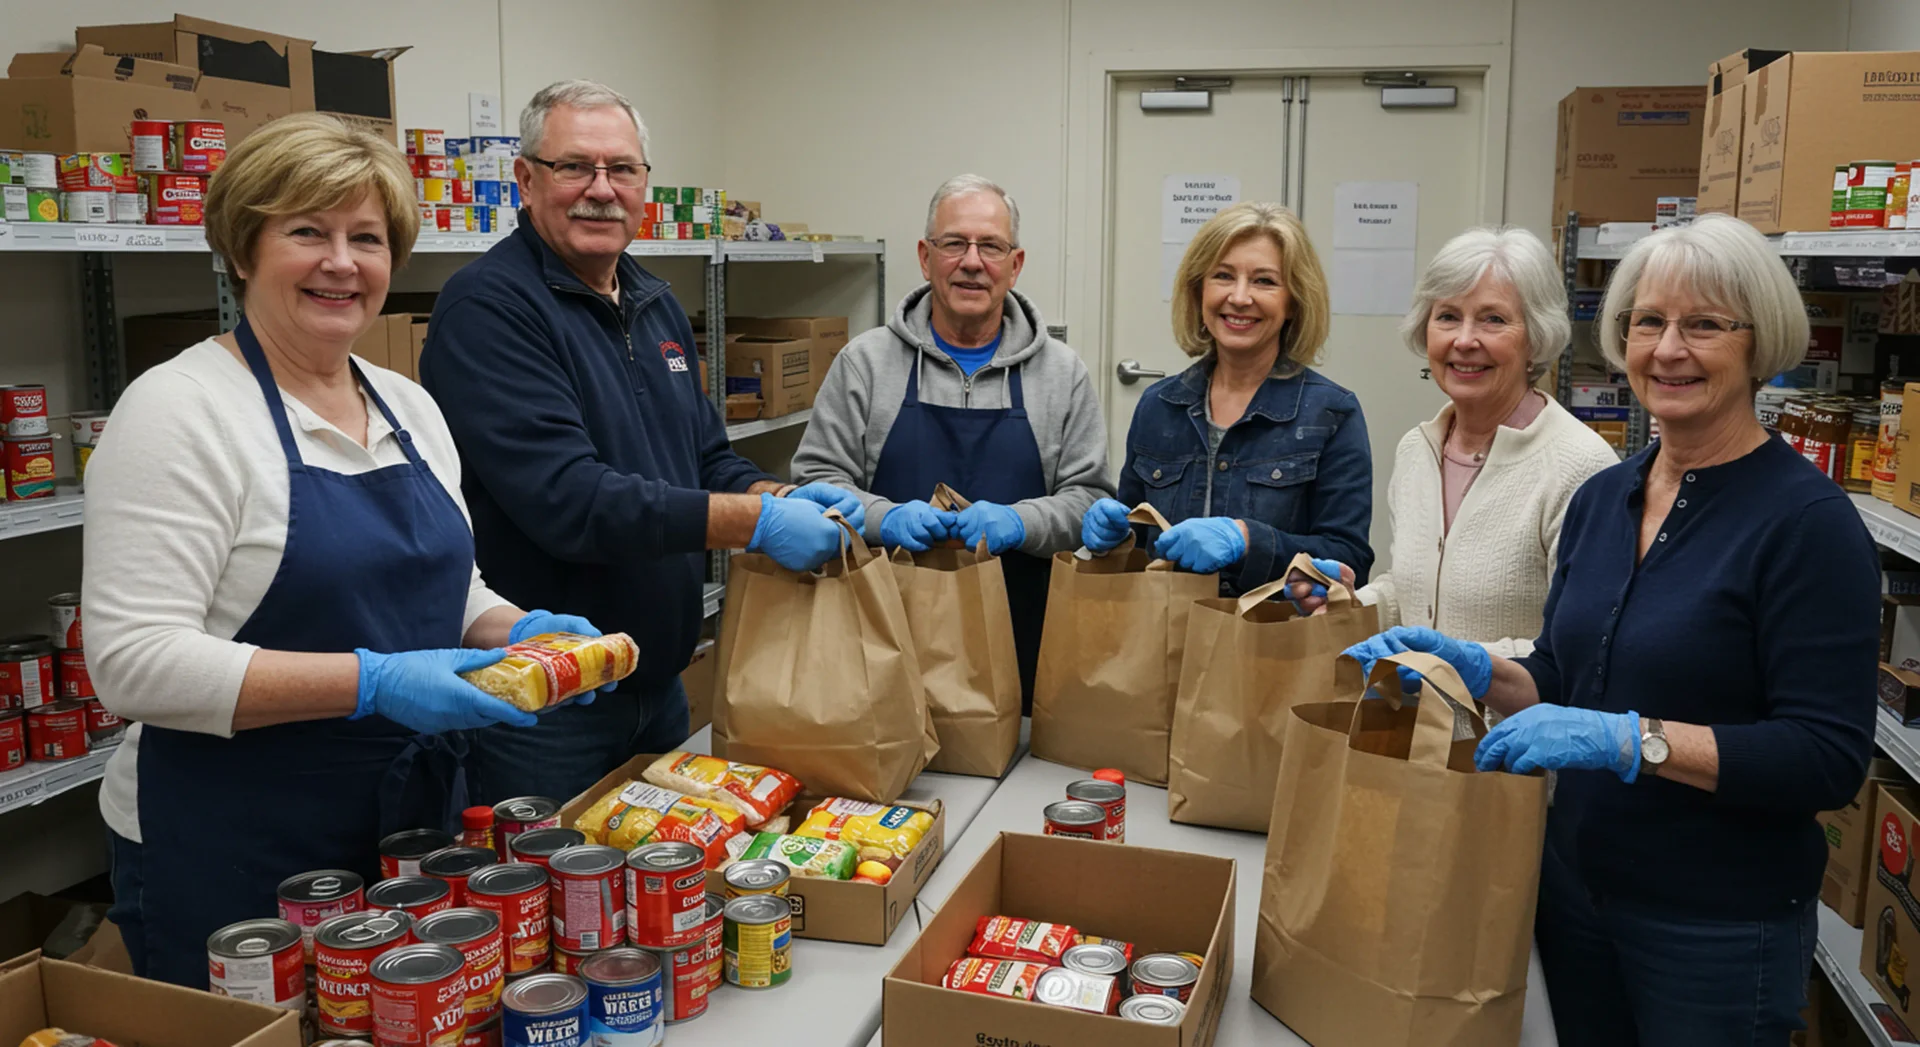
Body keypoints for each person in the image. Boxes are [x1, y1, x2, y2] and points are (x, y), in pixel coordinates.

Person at [83, 114, 606, 986]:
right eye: (306, 232)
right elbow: (134, 664)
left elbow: (451, 582)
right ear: (242, 249)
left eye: (367, 238)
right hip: (234, 839)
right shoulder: (180, 409)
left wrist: (516, 629)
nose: (342, 262)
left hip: (405, 822)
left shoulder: (408, 403)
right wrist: (375, 681)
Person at [1344, 213, 1879, 1046]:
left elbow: (1825, 756)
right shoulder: (1608, 496)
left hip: (1712, 925)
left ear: (1758, 341)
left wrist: (1636, 740)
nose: (1669, 348)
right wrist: (1480, 669)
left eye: (1704, 323)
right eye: (1648, 321)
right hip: (1573, 891)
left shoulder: (1807, 523)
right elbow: (1561, 673)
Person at [422, 81, 862, 804]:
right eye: (576, 168)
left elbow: (707, 458)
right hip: (548, 705)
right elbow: (572, 503)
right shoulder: (489, 309)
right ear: (526, 181)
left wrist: (779, 494)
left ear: (645, 187)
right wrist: (755, 523)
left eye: (621, 169)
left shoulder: (653, 301)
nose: (602, 190)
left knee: (659, 904)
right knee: (554, 905)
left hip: (657, 686)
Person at [791, 174, 1113, 705]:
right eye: (953, 244)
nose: (971, 261)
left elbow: (1092, 499)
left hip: (1023, 646)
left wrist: (1020, 522)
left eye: (991, 246)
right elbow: (814, 483)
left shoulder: (1062, 373)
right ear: (925, 256)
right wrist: (884, 517)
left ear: (1016, 263)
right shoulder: (866, 363)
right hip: (882, 648)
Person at [1291, 228, 1615, 665]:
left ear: (1535, 337)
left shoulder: (1581, 466)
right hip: (1416, 729)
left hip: (1515, 731)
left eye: (1493, 320)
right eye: (1447, 317)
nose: (1464, 340)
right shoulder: (1416, 450)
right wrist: (1350, 603)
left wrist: (1451, 661)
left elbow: (1580, 649)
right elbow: (1413, 598)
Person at [1079, 201, 1372, 596]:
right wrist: (1114, 536)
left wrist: (1247, 539)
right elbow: (1137, 545)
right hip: (1162, 638)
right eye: (1223, 276)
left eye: (1264, 281)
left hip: (1271, 644)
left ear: (1293, 302)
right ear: (1199, 289)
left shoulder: (1332, 413)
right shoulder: (1159, 406)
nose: (1239, 297)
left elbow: (1349, 560)